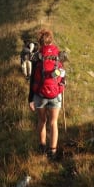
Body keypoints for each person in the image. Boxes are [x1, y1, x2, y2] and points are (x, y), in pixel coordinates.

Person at [28, 29, 63, 160]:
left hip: (40, 95)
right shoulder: (58, 54)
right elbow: (62, 74)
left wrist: (30, 99)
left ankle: (42, 147)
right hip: (55, 94)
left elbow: (32, 79)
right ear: (51, 40)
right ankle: (52, 152)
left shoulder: (37, 57)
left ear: (39, 42)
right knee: (53, 123)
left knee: (42, 121)